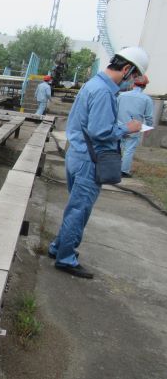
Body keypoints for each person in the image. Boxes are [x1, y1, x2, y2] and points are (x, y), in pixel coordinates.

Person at [48, 46, 148, 279]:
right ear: (126, 68)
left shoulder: (93, 84)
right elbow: (100, 131)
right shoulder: (104, 92)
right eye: (134, 75)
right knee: (79, 210)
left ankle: (58, 247)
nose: (133, 81)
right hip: (89, 160)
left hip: (77, 154)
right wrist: (128, 128)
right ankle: (66, 258)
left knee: (75, 207)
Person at [117, 74, 154, 178]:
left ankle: (113, 168)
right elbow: (149, 117)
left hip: (119, 127)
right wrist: (148, 128)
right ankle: (124, 171)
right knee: (129, 150)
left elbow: (114, 110)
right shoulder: (147, 99)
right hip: (134, 129)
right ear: (144, 86)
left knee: (116, 148)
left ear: (133, 84)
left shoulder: (121, 95)